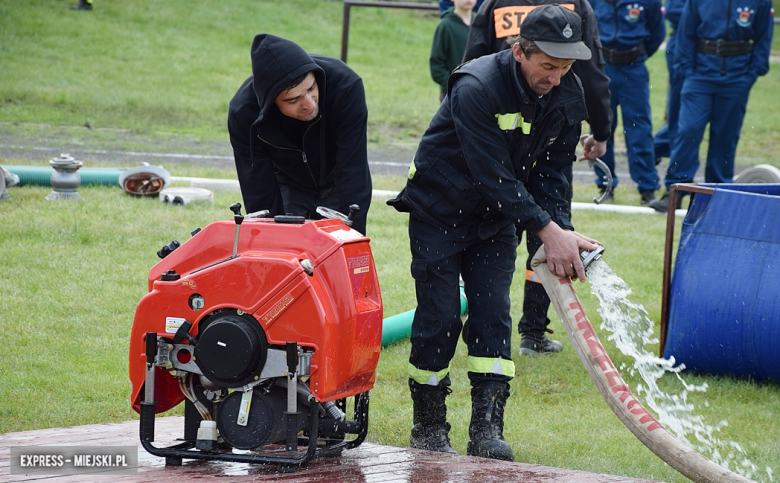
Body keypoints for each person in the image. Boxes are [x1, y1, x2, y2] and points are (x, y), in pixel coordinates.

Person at [388, 5, 601, 460]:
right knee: (440, 318)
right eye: (548, 66)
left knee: (492, 317)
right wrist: (547, 230)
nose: (557, 78)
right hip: (438, 210)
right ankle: (428, 426)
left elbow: (552, 172)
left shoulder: (567, 93)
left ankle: (486, 429)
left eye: (566, 67)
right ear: (519, 51)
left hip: (496, 220)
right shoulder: (476, 85)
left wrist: (559, 229)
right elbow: (491, 173)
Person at [462, 0, 612, 357]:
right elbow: (592, 74)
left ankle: (493, 325)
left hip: (522, 136)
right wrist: (602, 131)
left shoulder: (494, 3)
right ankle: (531, 331)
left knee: (546, 233)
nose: (558, 73)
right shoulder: (578, 6)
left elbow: (471, 57)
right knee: (541, 237)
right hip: (520, 138)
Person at [227, 34, 372, 234]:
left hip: (336, 178)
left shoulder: (346, 87)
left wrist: (351, 238)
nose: (310, 104)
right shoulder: (243, 114)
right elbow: (258, 188)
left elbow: (353, 171)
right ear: (271, 103)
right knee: (285, 249)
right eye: (294, 100)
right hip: (287, 181)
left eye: (312, 88)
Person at [649, 0, 773, 213]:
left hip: (738, 75)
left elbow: (764, 36)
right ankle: (676, 190)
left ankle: (718, 194)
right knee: (688, 130)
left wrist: (753, 73)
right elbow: (686, 32)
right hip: (700, 74)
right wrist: (687, 69)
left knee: (726, 136)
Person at [591, 0, 665, 205]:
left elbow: (657, 32)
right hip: (602, 66)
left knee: (639, 127)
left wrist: (635, 54)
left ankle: (647, 188)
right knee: (602, 126)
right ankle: (605, 184)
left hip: (634, 67)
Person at [652, 0, 685, 165]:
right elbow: (674, 11)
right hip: (684, 45)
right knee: (679, 112)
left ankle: (651, 149)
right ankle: (651, 151)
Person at [430, 0, 476, 102]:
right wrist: (452, 85)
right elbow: (437, 66)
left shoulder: (480, 23)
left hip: (477, 94)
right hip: (452, 96)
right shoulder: (445, 26)